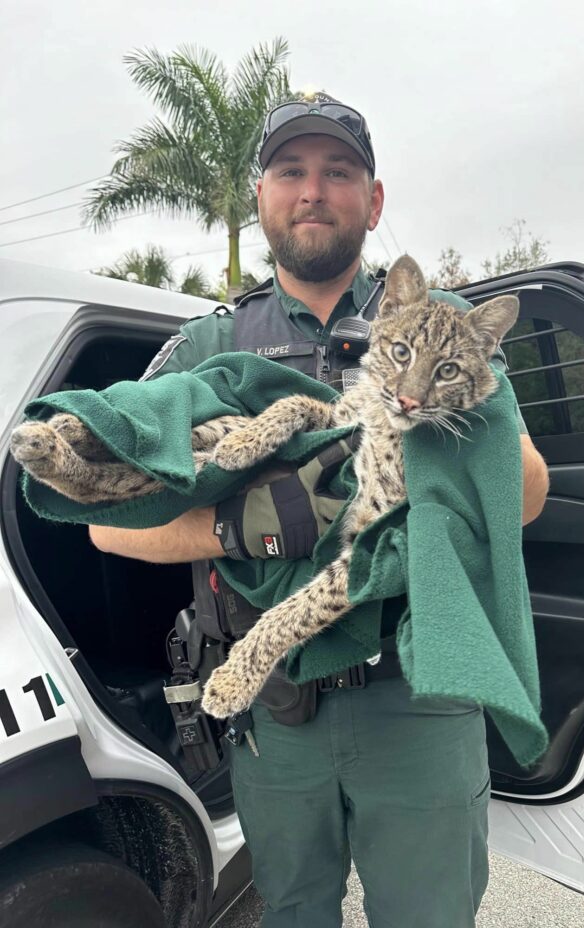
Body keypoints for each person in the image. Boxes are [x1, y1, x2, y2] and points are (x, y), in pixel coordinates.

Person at [89, 92, 549, 928]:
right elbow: (107, 520)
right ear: (260, 195)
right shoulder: (209, 345)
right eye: (290, 171)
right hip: (277, 712)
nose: (313, 191)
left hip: (419, 696)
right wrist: (241, 525)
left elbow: (525, 497)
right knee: (294, 914)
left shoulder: (439, 326)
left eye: (338, 172)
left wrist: (450, 406)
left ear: (373, 200)